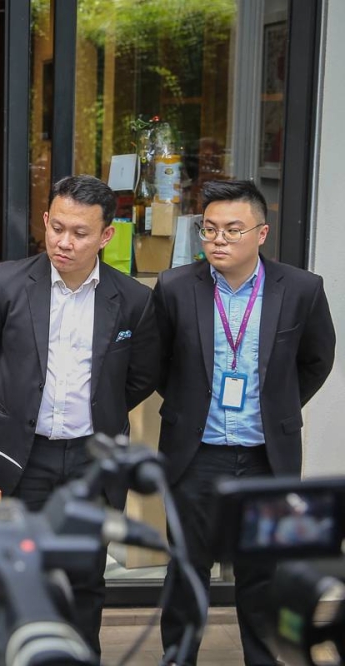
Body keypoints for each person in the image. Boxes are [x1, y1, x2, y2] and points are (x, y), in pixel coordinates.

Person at [0, 174, 160, 656]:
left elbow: (140, 377)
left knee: (84, 582)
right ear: (45, 222)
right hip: (19, 457)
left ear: (106, 236)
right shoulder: (7, 282)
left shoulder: (133, 300)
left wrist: (99, 411)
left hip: (89, 463)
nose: (64, 242)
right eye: (57, 228)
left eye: (79, 232)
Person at [154, 179, 335, 665]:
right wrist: (191, 406)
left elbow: (318, 360)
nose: (218, 240)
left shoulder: (300, 289)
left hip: (265, 460)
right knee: (188, 574)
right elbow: (156, 363)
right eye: (209, 229)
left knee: (263, 577)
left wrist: (277, 407)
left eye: (233, 230)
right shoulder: (174, 287)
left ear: (261, 233)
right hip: (196, 459)